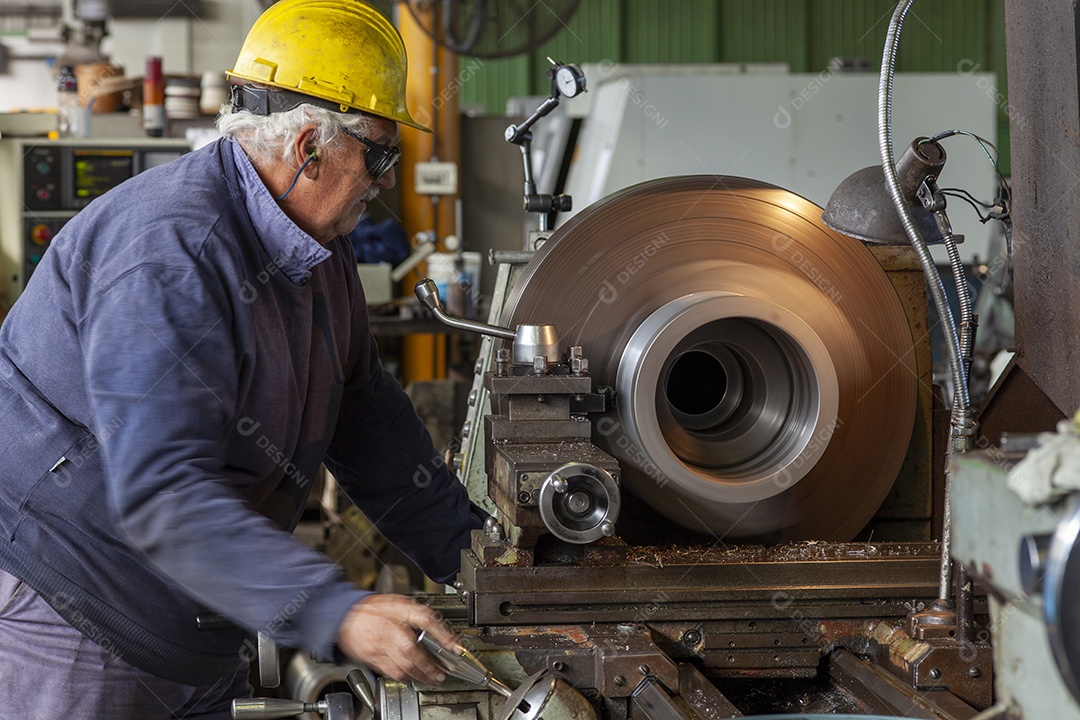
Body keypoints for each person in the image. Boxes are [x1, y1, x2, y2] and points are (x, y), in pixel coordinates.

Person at [0, 1, 484, 717]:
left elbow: (365, 416)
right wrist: (339, 612)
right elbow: (164, 496)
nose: (385, 179)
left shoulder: (317, 249)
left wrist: (477, 557)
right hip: (75, 612)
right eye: (379, 154)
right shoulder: (170, 251)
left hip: (199, 619)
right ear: (310, 147)